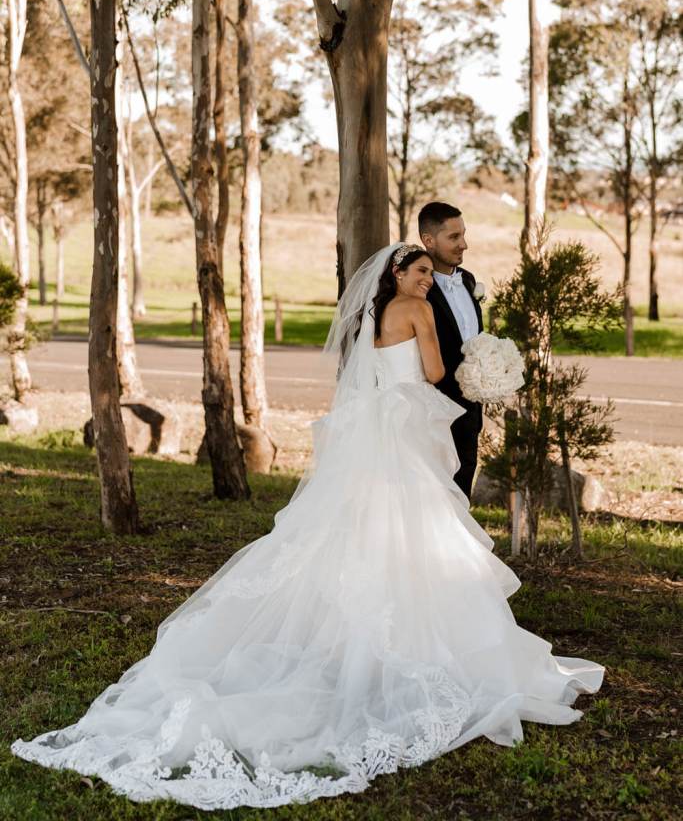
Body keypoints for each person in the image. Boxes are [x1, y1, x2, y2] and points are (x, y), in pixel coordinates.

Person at [11, 243, 604, 811]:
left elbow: (377, 375)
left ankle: (369, 637)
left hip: (377, 428)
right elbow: (431, 371)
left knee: (358, 531)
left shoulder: (373, 312)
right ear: (400, 274)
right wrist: (475, 372)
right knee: (418, 531)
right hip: (406, 428)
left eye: (428, 274)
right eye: (421, 271)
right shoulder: (418, 309)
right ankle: (419, 648)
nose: (427, 281)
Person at [419, 201, 483, 499]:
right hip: (433, 412)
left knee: (462, 492)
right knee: (432, 495)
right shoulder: (417, 289)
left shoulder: (468, 281)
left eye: (464, 235)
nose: (464, 245)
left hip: (470, 411)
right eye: (454, 237)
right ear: (429, 241)